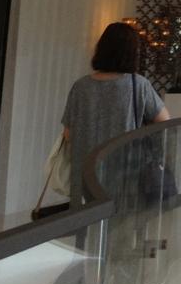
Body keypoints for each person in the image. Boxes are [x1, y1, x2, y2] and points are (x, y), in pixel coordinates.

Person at [61, 21, 169, 205]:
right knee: (121, 219)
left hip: (86, 174)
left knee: (87, 218)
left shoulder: (80, 86)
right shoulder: (138, 85)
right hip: (125, 172)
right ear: (132, 53)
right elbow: (165, 120)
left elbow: (68, 134)